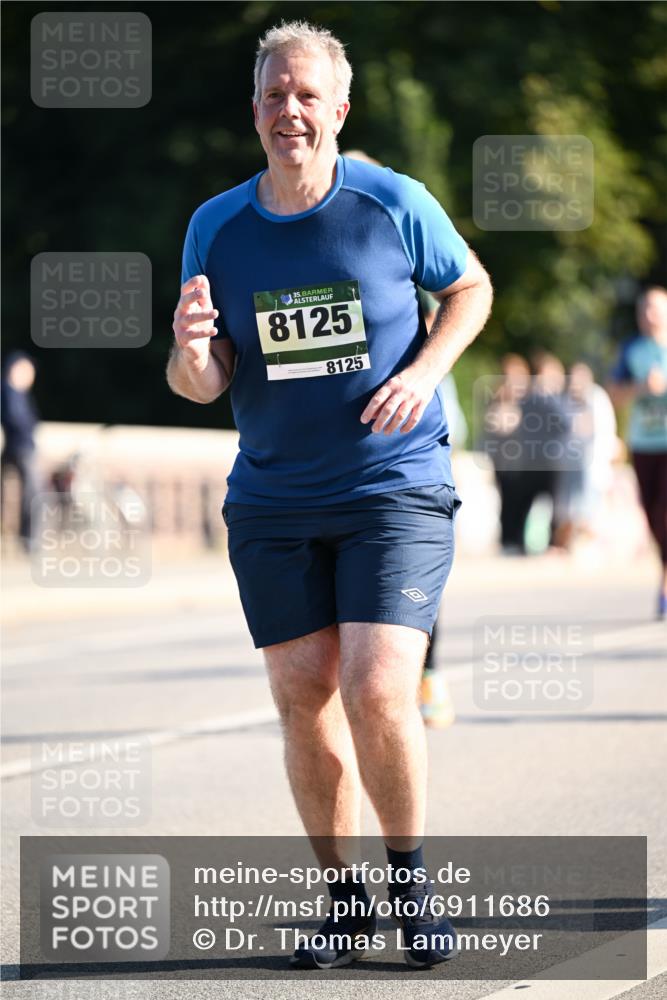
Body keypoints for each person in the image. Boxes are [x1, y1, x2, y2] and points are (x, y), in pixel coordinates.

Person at [167, 20, 492, 970]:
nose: (290, 111)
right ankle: (344, 903)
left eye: (308, 95)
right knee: (301, 693)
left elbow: (468, 288)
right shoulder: (215, 225)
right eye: (274, 95)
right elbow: (203, 379)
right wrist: (191, 354)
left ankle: (410, 887)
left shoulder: (392, 202)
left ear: (339, 109)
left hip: (393, 485)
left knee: (376, 685)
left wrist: (427, 372)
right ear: (255, 110)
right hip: (271, 498)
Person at [608, 286, 667, 618]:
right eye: (643, 309)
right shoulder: (632, 349)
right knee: (653, 516)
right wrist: (641, 389)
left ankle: (664, 585)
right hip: (644, 442)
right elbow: (615, 393)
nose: (649, 315)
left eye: (656, 309)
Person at [1, 351, 41, 550]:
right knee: (33, 494)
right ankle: (29, 540)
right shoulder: (9, 392)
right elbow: (18, 421)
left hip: (18, 448)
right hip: (20, 449)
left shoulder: (16, 393)